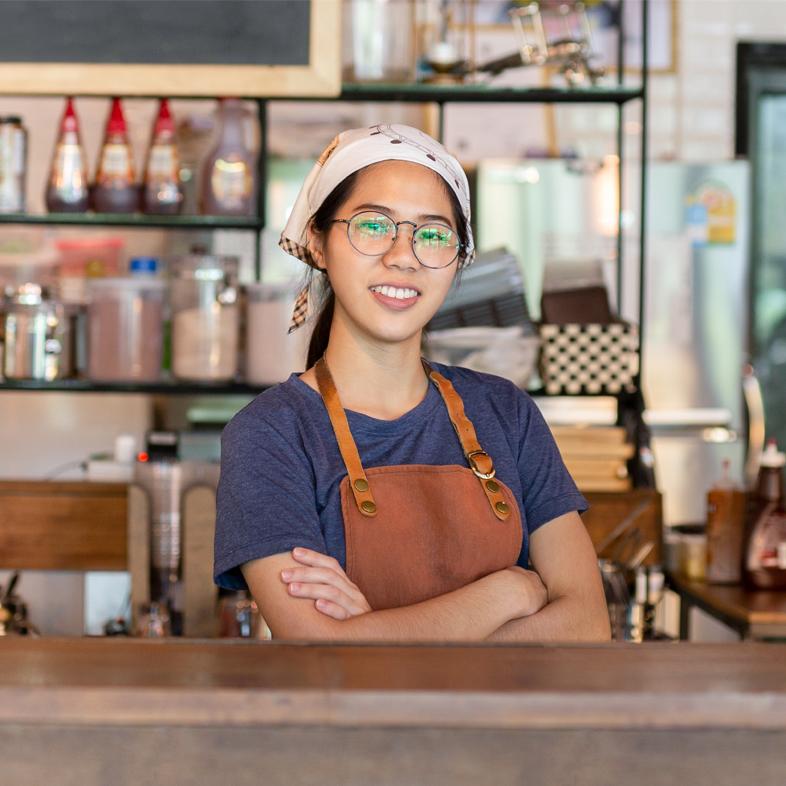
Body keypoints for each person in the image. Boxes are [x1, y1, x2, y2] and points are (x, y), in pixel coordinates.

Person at [214, 123, 610, 642]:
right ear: (317, 241)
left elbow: (587, 625)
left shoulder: (505, 414)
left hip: (507, 725)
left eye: (432, 234)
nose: (404, 256)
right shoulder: (271, 435)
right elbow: (317, 646)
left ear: (457, 258)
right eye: (374, 225)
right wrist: (508, 594)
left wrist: (377, 637)